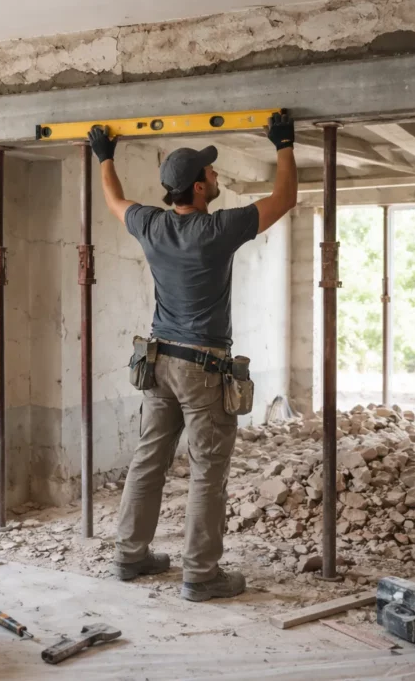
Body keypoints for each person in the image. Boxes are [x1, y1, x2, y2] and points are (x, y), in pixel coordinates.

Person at [87, 112, 298, 601]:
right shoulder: (217, 230)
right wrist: (284, 144)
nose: (216, 175)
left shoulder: (151, 224)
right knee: (208, 469)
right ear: (199, 190)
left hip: (157, 363)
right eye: (210, 172)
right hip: (202, 368)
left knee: (148, 460)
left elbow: (114, 200)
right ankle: (201, 575)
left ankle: (130, 556)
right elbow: (284, 199)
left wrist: (105, 156)